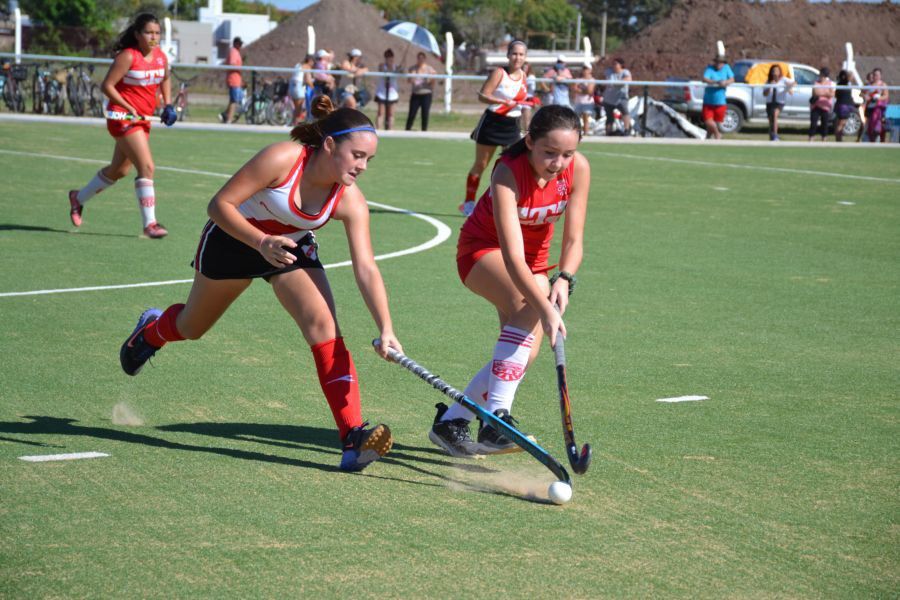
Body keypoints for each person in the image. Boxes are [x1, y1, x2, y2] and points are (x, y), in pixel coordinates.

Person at [118, 96, 401, 472]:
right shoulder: (283, 159)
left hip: (289, 250)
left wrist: (386, 327)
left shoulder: (349, 200)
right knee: (192, 326)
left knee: (325, 329)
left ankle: (352, 437)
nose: (362, 166)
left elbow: (366, 267)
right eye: (357, 155)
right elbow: (220, 205)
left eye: (369, 159)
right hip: (234, 241)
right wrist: (260, 242)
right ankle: (150, 333)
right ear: (330, 145)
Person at [430, 105, 590, 457]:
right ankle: (496, 421)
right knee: (526, 308)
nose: (559, 162)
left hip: (535, 263)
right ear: (529, 141)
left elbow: (574, 239)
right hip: (483, 251)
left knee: (522, 354)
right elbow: (513, 256)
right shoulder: (507, 172)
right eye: (549, 153)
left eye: (567, 154)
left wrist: (563, 278)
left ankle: (452, 422)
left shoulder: (578, 169)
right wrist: (546, 310)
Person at [67, 13, 176, 239]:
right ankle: (150, 224)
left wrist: (168, 105)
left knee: (119, 170)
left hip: (142, 119)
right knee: (146, 167)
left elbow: (165, 78)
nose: (154, 37)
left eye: (157, 33)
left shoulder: (161, 57)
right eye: (149, 32)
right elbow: (107, 86)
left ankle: (78, 198)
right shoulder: (128, 56)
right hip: (122, 118)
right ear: (137, 35)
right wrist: (128, 106)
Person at [459, 40, 528, 217]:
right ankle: (468, 203)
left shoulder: (524, 75)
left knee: (512, 166)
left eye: (521, 54)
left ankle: (507, 204)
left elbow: (521, 103)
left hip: (512, 125)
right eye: (514, 53)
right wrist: (502, 101)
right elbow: (483, 96)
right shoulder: (499, 72)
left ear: (525, 57)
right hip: (492, 123)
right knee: (481, 164)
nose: (517, 57)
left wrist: (527, 124)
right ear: (508, 55)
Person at [702, 52, 734, 140]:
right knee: (708, 121)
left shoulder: (726, 68)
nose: (719, 64)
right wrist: (715, 82)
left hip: (720, 101)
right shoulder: (710, 69)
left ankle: (708, 138)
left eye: (721, 62)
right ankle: (717, 135)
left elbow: (732, 79)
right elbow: (705, 78)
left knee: (715, 123)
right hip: (708, 101)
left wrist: (725, 83)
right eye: (717, 62)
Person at [405, 52, 437, 131]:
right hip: (416, 94)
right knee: (412, 113)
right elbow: (409, 81)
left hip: (426, 93)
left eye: (422, 58)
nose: (420, 60)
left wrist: (432, 78)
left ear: (425, 59)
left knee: (425, 113)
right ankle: (408, 129)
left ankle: (424, 130)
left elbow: (432, 84)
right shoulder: (413, 68)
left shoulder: (429, 69)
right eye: (419, 58)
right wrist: (412, 77)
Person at [762, 63, 794, 141]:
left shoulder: (783, 79)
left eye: (776, 71)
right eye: (773, 71)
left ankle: (775, 135)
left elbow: (793, 84)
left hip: (779, 102)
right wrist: (770, 87)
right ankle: (771, 136)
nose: (775, 72)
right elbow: (764, 94)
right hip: (770, 102)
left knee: (775, 115)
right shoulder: (768, 81)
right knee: (770, 119)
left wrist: (788, 86)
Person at [603, 58, 632, 136]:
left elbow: (628, 80)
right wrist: (619, 83)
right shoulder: (609, 71)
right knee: (609, 116)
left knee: (625, 113)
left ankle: (627, 130)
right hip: (609, 98)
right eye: (613, 64)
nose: (613, 65)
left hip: (621, 98)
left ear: (621, 65)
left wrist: (617, 83)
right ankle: (608, 131)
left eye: (615, 64)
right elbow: (609, 82)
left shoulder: (625, 72)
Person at [374, 48, 401, 130]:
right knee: (380, 113)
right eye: (387, 57)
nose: (389, 59)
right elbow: (384, 70)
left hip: (392, 94)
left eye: (391, 57)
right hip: (382, 93)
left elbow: (402, 71)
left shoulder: (396, 67)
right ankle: (378, 129)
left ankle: (390, 130)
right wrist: (393, 69)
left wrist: (400, 69)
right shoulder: (382, 66)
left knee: (391, 114)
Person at [220, 37, 244, 125]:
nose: (240, 46)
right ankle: (229, 119)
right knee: (234, 101)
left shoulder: (236, 52)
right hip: (233, 80)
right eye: (239, 44)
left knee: (234, 100)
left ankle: (224, 115)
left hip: (237, 80)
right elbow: (232, 64)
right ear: (235, 43)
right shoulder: (233, 52)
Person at [809, 67, 835, 142]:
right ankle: (811, 138)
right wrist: (826, 93)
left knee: (825, 124)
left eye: (823, 75)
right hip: (816, 106)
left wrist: (823, 94)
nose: (821, 76)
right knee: (813, 124)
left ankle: (824, 139)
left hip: (825, 107)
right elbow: (815, 93)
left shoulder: (830, 83)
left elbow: (832, 94)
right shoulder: (816, 83)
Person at [864, 68, 889, 143]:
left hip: (878, 108)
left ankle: (876, 141)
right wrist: (865, 96)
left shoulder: (883, 84)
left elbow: (886, 96)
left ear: (880, 75)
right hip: (869, 107)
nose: (876, 76)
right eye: (875, 75)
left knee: (876, 125)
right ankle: (870, 141)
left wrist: (879, 97)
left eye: (878, 75)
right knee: (869, 126)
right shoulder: (870, 84)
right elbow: (863, 93)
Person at [833, 69, 858, 142]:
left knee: (840, 124)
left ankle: (838, 139)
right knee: (841, 124)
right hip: (843, 106)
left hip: (844, 105)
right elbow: (836, 95)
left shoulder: (844, 84)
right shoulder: (842, 83)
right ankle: (838, 139)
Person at [289, 54, 314, 125]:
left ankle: (293, 122)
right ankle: (295, 123)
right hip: (298, 87)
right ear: (310, 61)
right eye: (313, 62)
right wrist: (313, 88)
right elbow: (308, 80)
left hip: (292, 86)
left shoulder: (298, 65)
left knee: (297, 107)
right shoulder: (307, 67)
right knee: (299, 108)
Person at [573, 63, 596, 136]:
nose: (585, 70)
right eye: (584, 68)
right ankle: (575, 134)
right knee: (576, 119)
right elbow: (574, 88)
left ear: (590, 70)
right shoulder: (578, 79)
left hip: (587, 102)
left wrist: (580, 89)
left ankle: (586, 133)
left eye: (586, 68)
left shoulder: (592, 80)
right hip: (578, 102)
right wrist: (583, 90)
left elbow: (590, 91)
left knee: (586, 118)